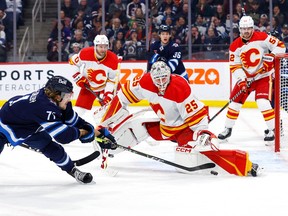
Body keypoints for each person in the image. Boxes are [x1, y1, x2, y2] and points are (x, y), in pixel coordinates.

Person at [97, 61, 261, 177]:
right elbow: (120, 99)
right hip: (164, 127)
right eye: (157, 79)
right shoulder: (143, 82)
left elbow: (198, 119)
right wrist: (102, 124)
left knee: (197, 154)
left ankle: (243, 164)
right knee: (137, 124)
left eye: (164, 78)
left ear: (169, 75)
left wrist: (203, 133)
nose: (161, 83)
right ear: (151, 77)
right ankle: (110, 149)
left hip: (184, 128)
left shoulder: (180, 87)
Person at [0, 76, 117, 184]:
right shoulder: (44, 107)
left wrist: (99, 133)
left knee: (50, 147)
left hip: (27, 127)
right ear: (57, 96)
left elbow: (74, 121)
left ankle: (72, 170)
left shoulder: (56, 101)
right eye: (68, 95)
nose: (70, 98)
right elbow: (64, 136)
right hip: (3, 127)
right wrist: (85, 133)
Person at [217, 16, 286, 142]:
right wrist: (242, 80)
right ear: (240, 29)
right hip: (247, 78)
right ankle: (228, 128)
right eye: (244, 29)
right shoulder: (234, 46)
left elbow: (281, 46)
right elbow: (235, 66)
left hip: (263, 76)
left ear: (252, 27)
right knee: (234, 103)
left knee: (263, 102)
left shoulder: (263, 37)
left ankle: (273, 129)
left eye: (249, 28)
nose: (247, 31)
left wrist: (271, 57)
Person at [68, 34, 120, 115]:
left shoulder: (113, 59)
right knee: (79, 110)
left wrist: (108, 94)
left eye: (105, 46)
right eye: (100, 46)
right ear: (95, 46)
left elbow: (112, 79)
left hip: (105, 85)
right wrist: (77, 77)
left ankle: (113, 126)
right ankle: (72, 125)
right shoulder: (85, 53)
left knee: (113, 110)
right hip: (88, 84)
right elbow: (73, 62)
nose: (103, 49)